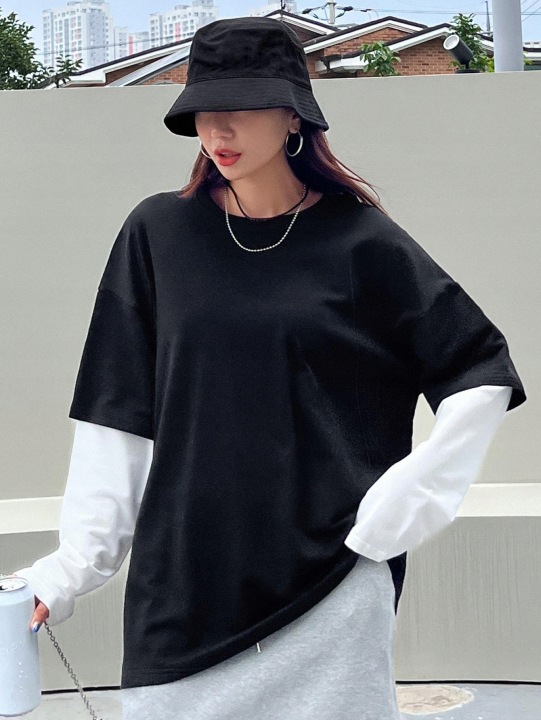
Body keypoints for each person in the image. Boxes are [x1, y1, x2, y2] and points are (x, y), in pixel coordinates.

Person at [15, 16, 526, 720]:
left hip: (328, 589)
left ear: (292, 116)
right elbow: (117, 415)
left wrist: (408, 501)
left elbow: (479, 367)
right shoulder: (157, 233)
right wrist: (72, 568)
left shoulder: (360, 242)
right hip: (184, 592)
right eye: (202, 112)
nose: (216, 131)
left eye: (240, 109)